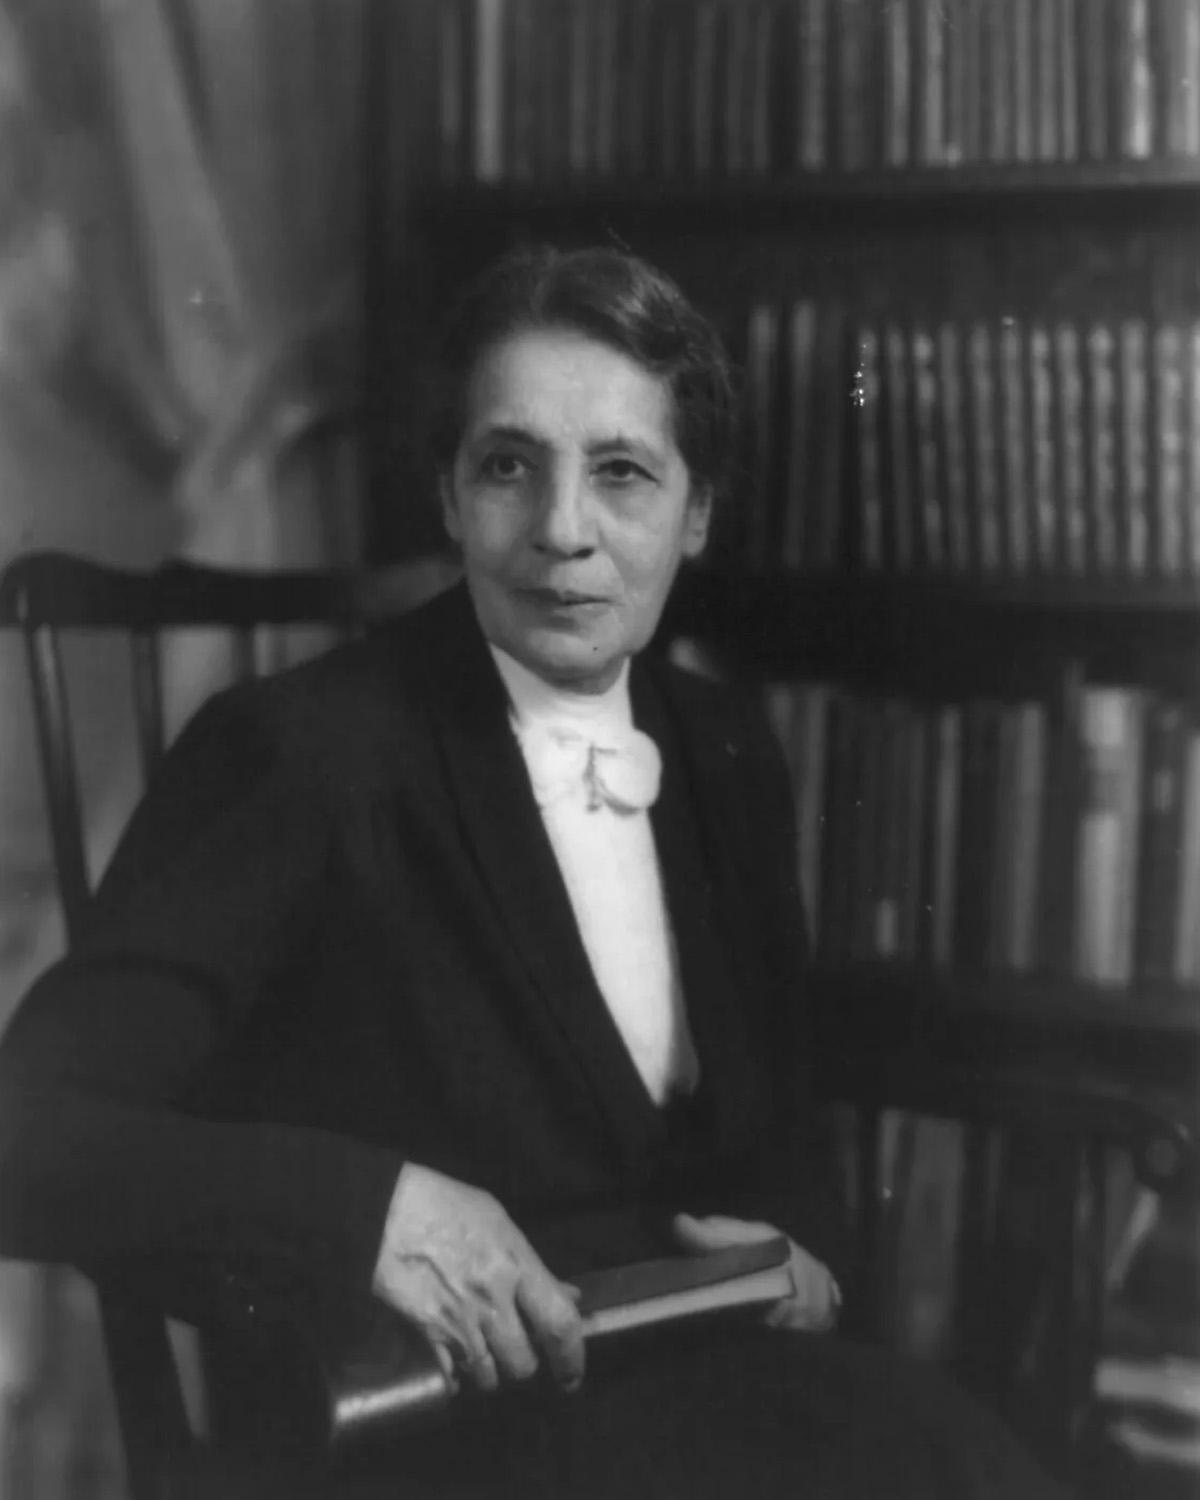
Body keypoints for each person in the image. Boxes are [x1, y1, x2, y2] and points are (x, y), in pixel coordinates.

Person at [0, 245, 1065, 1499]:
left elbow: (777, 1136)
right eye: (509, 465)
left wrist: (801, 1255)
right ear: (450, 496)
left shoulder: (725, 752)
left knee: (966, 1466)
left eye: (622, 473)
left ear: (698, 510)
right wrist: (370, 1215)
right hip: (417, 1430)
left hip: (703, 1392)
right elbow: (31, 1139)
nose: (563, 530)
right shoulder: (297, 755)